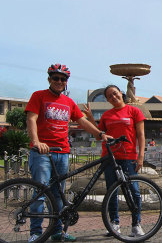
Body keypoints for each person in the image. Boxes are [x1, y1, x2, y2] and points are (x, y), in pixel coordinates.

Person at [26, 64, 110, 242]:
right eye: (55, 78)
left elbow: (82, 121)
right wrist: (36, 142)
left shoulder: (69, 102)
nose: (59, 81)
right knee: (41, 193)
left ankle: (57, 232)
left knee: (58, 195)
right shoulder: (38, 96)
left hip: (62, 152)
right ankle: (35, 232)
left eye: (62, 79)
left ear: (66, 82)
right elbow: (31, 119)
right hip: (42, 152)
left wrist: (99, 134)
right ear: (49, 79)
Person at [83, 85, 146, 237]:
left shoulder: (134, 111)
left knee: (134, 192)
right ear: (107, 100)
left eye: (115, 94)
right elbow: (100, 135)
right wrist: (91, 118)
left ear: (121, 93)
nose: (113, 97)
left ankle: (136, 224)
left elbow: (141, 135)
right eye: (110, 96)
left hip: (128, 157)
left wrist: (141, 156)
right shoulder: (107, 115)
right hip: (109, 157)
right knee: (112, 191)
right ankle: (114, 224)